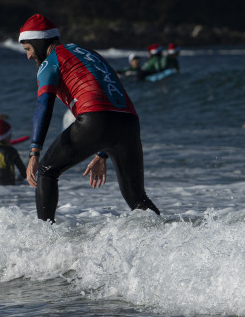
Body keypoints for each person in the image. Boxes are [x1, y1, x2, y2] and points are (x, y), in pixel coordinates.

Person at [19, 13, 160, 222]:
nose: (29, 57)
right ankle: (171, 239)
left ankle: (44, 238)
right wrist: (103, 152)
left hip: (95, 119)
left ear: (39, 43)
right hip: (129, 122)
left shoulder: (50, 62)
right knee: (137, 197)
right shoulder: (89, 53)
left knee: (47, 172)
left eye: (29, 49)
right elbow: (111, 97)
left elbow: (43, 105)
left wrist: (34, 152)